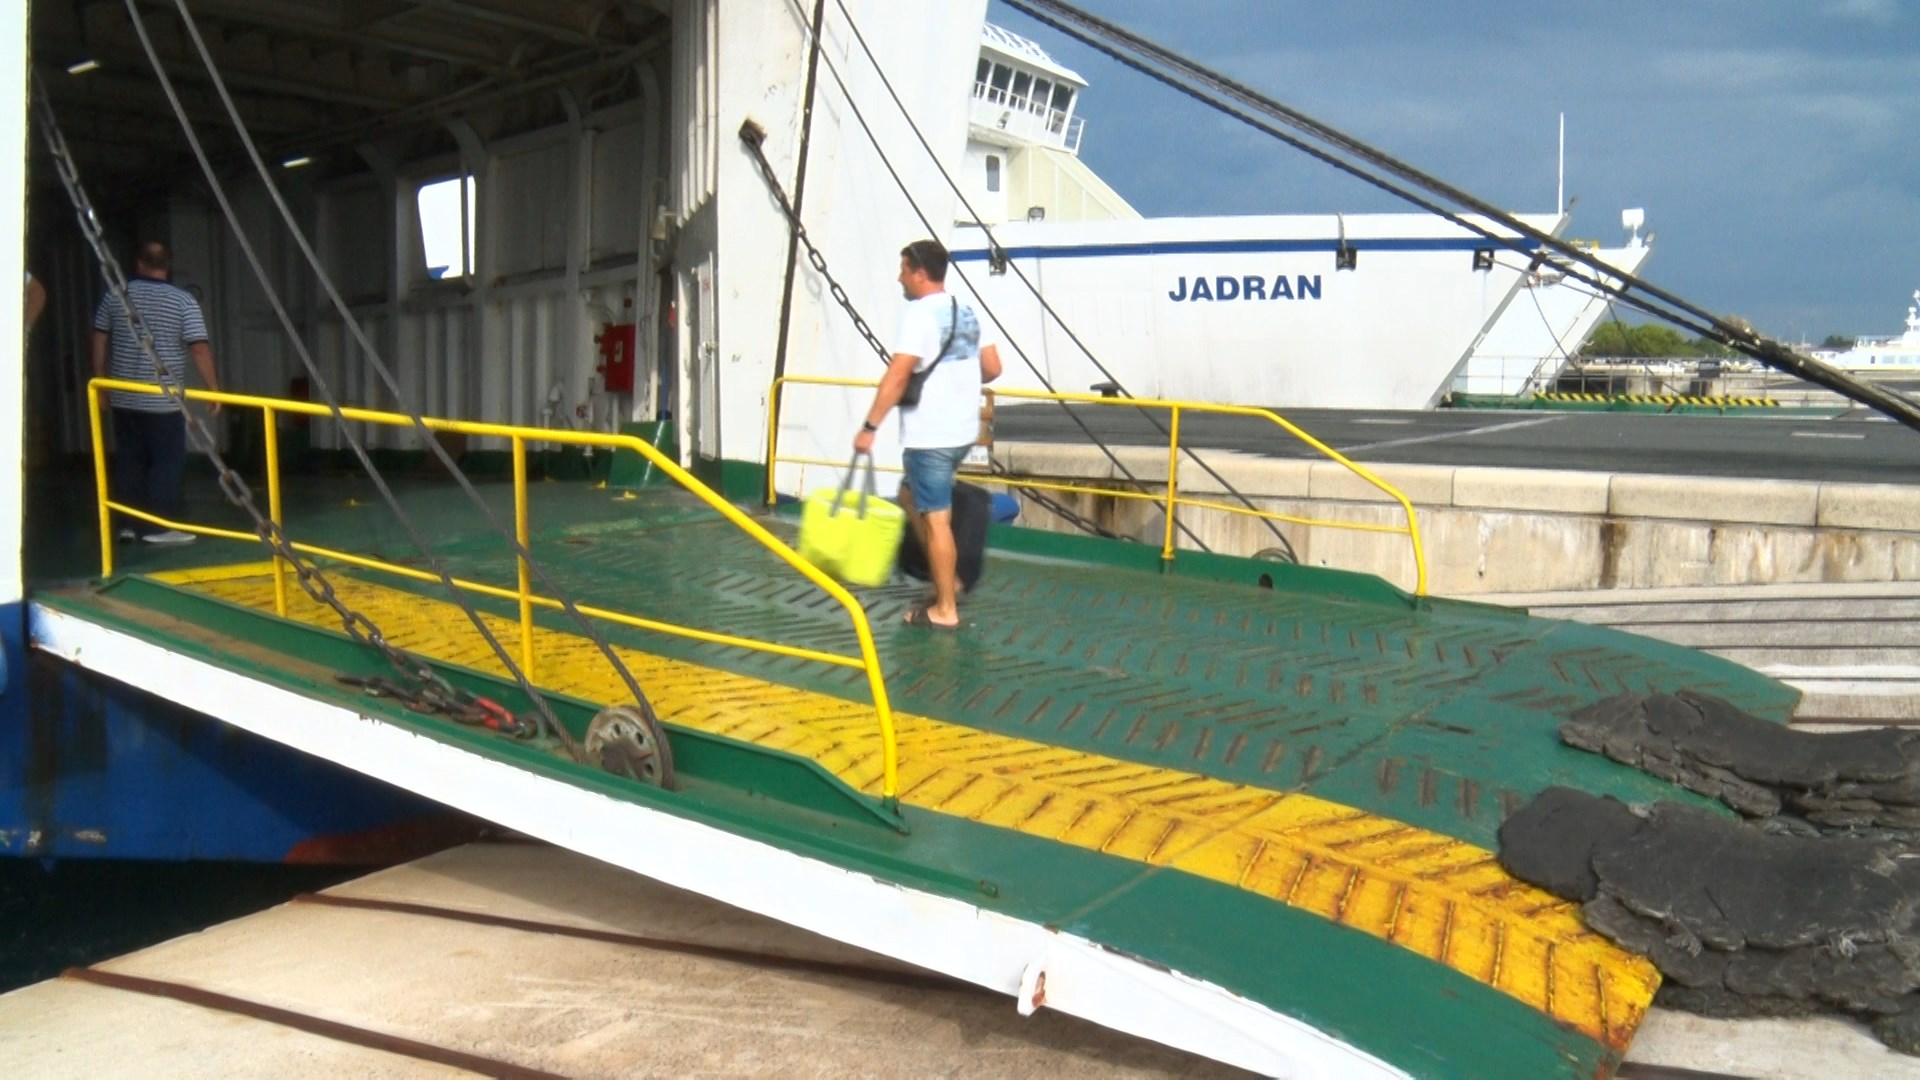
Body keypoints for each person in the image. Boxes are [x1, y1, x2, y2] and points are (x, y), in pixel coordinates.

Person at [853, 239, 1002, 630]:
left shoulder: (919, 314)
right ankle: (946, 577)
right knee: (909, 494)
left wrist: (869, 427)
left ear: (920, 273)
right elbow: (992, 367)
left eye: (903, 269)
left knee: (936, 519)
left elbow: (898, 374)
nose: (899, 277)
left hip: (931, 435)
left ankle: (946, 606)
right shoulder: (968, 310)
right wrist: (956, 377)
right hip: (961, 431)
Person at [91, 241, 221, 545]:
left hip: (124, 397)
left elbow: (99, 339)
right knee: (166, 461)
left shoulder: (115, 296)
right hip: (162, 402)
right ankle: (157, 527)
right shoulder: (183, 301)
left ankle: (127, 525)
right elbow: (199, 349)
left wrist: (100, 382)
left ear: (138, 263)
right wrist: (213, 389)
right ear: (168, 266)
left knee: (130, 461)